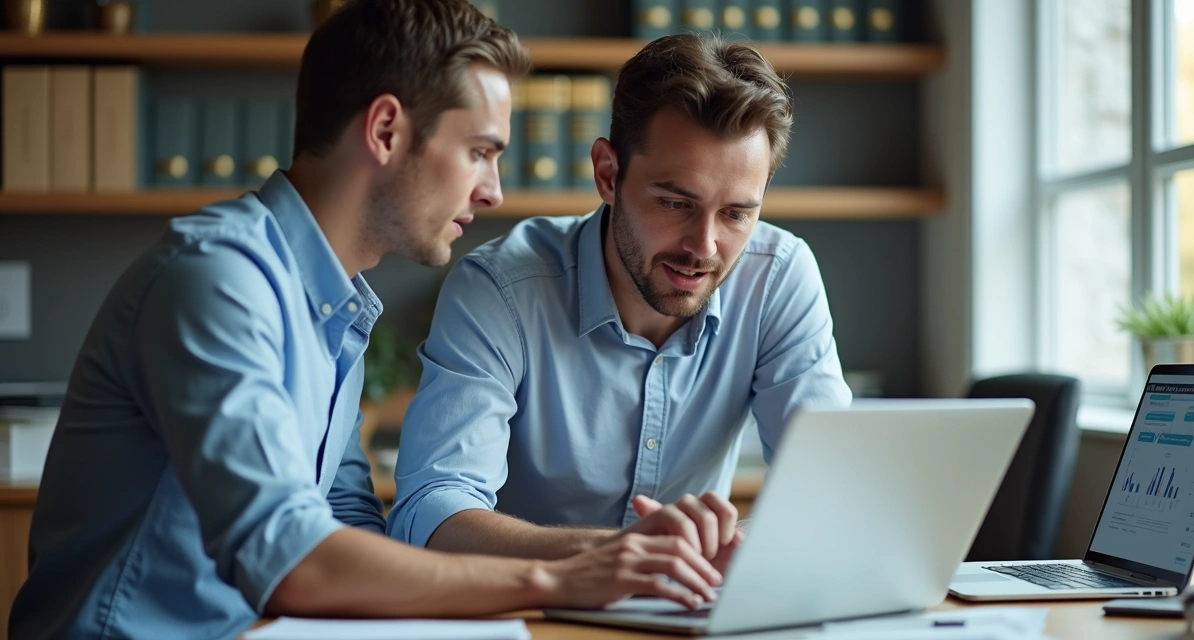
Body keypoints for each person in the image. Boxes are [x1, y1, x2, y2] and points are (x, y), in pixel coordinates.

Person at [10, 3, 724, 639]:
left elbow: (349, 527)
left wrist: (607, 555)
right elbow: (293, 558)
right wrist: (558, 579)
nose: (494, 191)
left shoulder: (334, 304)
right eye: (479, 151)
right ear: (386, 129)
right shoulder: (219, 281)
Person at [389, 34, 853, 572]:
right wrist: (618, 556)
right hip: (531, 615)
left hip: (687, 613)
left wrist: (736, 541)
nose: (704, 247)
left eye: (735, 214)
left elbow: (831, 487)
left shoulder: (779, 277)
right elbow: (430, 513)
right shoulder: (500, 290)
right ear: (608, 174)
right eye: (676, 203)